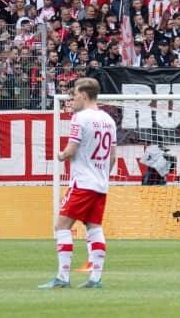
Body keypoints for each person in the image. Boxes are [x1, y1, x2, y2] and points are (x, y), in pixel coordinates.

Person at [39, 78, 116, 289]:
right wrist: (101, 176)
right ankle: (95, 278)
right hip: (101, 183)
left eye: (73, 95)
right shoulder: (109, 119)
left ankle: (62, 277)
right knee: (94, 227)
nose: (71, 100)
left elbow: (71, 150)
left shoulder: (79, 118)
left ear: (83, 94)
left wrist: (61, 155)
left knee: (61, 226)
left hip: (82, 182)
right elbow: (112, 157)